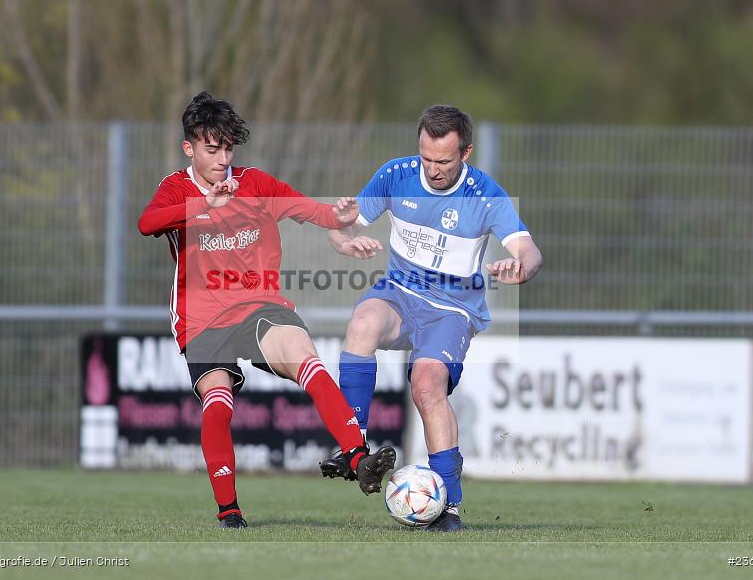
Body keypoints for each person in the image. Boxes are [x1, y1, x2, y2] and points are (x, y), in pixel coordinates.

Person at [138, 91, 396, 529]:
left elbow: (307, 209)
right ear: (190, 148)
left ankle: (357, 457)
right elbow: (147, 223)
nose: (221, 159)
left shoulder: (255, 183)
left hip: (259, 304)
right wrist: (205, 208)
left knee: (305, 357)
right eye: (211, 148)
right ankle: (230, 511)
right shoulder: (175, 189)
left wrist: (341, 225)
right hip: (202, 319)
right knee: (218, 404)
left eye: (227, 148)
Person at [320, 105, 543, 531]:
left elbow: (529, 252)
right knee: (363, 322)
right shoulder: (395, 175)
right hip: (401, 292)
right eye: (426, 158)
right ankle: (354, 446)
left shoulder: (485, 195)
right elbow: (338, 222)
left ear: (467, 153)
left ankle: (450, 507)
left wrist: (520, 268)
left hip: (453, 307)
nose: (433, 169)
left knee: (426, 385)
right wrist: (344, 241)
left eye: (443, 161)